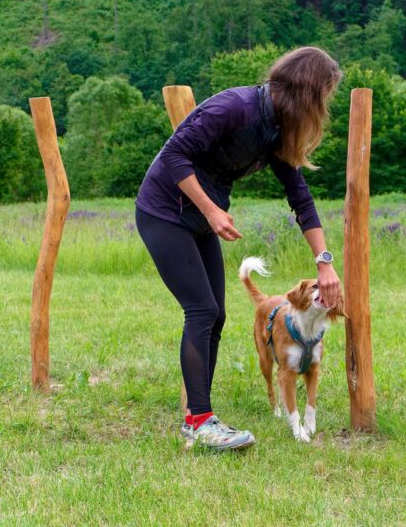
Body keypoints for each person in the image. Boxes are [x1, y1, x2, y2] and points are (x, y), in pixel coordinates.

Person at [135, 47, 343, 450]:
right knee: (202, 309)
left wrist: (324, 263)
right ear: (307, 93)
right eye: (323, 99)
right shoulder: (235, 107)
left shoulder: (276, 131)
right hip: (162, 210)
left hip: (197, 219)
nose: (323, 110)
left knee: (217, 314)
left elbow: (301, 198)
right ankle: (199, 422)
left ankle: (198, 417)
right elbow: (175, 154)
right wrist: (213, 211)